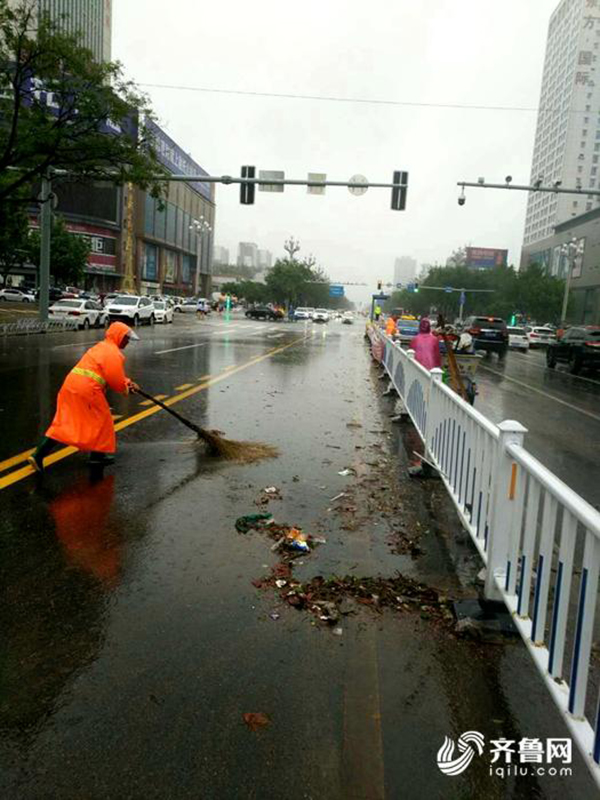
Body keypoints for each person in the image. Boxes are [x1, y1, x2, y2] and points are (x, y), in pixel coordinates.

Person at [28, 322, 140, 472]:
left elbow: (107, 373)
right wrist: (127, 388)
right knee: (102, 421)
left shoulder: (101, 347)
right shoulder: (113, 353)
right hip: (88, 390)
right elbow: (115, 381)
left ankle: (38, 455)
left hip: (71, 387)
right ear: (118, 336)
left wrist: (128, 382)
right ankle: (97, 457)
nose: (127, 342)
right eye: (126, 339)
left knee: (64, 422)